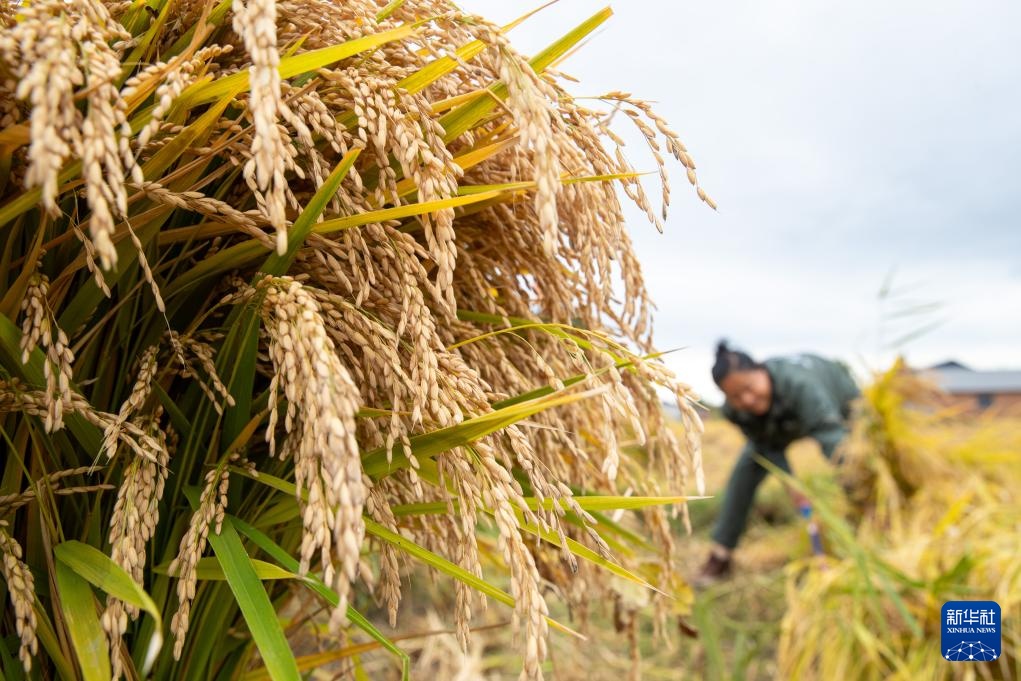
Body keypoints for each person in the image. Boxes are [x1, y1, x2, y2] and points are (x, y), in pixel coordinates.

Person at [697, 341, 860, 583]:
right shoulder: (735, 412)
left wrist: (853, 476)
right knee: (745, 470)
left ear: (761, 370)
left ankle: (864, 529)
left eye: (750, 387)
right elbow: (766, 448)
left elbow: (832, 439)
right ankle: (721, 554)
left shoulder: (801, 386)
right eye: (736, 397)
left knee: (854, 466)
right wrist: (790, 483)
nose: (747, 400)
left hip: (840, 404)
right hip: (777, 429)